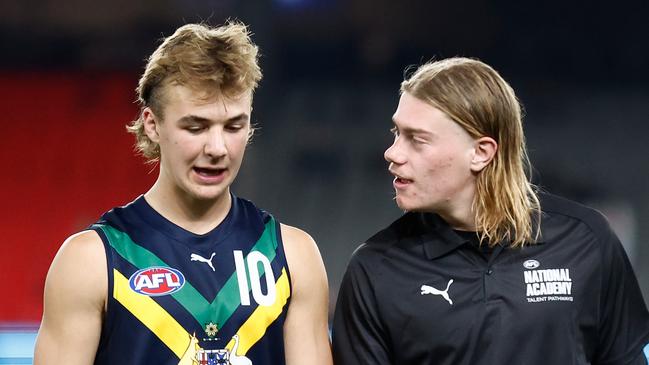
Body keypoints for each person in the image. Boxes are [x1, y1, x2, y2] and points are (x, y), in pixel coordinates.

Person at [34, 21, 333, 365]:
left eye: (234, 126)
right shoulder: (91, 261)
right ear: (152, 123)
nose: (218, 148)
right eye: (196, 126)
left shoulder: (293, 257)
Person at [332, 57, 649, 364]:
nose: (392, 152)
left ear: (481, 152)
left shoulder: (587, 240)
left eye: (417, 139)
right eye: (397, 133)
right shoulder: (374, 269)